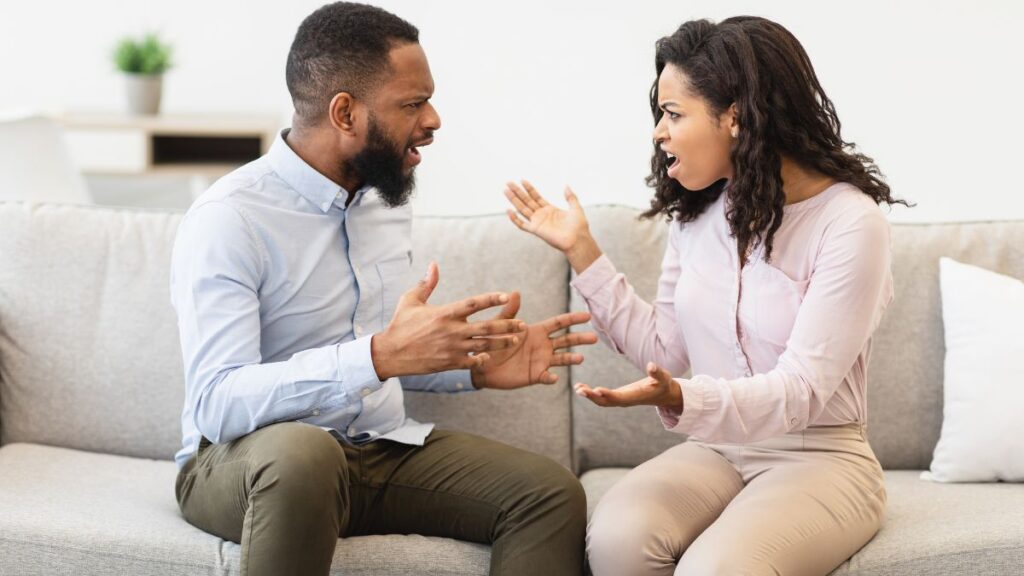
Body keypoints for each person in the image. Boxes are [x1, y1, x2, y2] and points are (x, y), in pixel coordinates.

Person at [170, 3, 594, 575]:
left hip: (377, 448)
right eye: (413, 103)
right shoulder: (230, 218)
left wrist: (472, 363)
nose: (434, 119)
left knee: (549, 493)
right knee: (304, 452)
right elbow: (218, 404)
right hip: (244, 463)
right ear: (345, 112)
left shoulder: (381, 204)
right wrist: (376, 357)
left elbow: (387, 352)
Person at [505, 16, 911, 576]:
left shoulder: (848, 223)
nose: (658, 132)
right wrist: (582, 251)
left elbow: (800, 391)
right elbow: (665, 350)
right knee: (618, 541)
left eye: (673, 114)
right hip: (717, 450)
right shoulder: (700, 215)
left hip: (819, 456)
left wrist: (684, 399)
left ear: (736, 118)